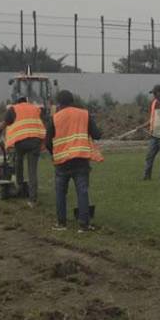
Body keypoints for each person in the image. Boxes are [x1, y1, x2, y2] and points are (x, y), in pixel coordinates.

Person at [46, 89, 103, 232]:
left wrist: (54, 154)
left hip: (62, 162)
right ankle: (84, 225)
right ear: (73, 101)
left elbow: (47, 141)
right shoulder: (84, 114)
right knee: (82, 192)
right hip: (80, 159)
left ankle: (61, 223)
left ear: (59, 103)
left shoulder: (55, 118)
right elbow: (97, 135)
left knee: (60, 193)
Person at [3, 95, 47, 207]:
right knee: (32, 171)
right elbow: (42, 122)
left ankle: (20, 187)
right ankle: (33, 200)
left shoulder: (13, 108)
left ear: (17, 102)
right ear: (27, 101)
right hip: (35, 141)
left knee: (18, 161)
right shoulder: (35, 108)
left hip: (21, 142)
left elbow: (6, 122)